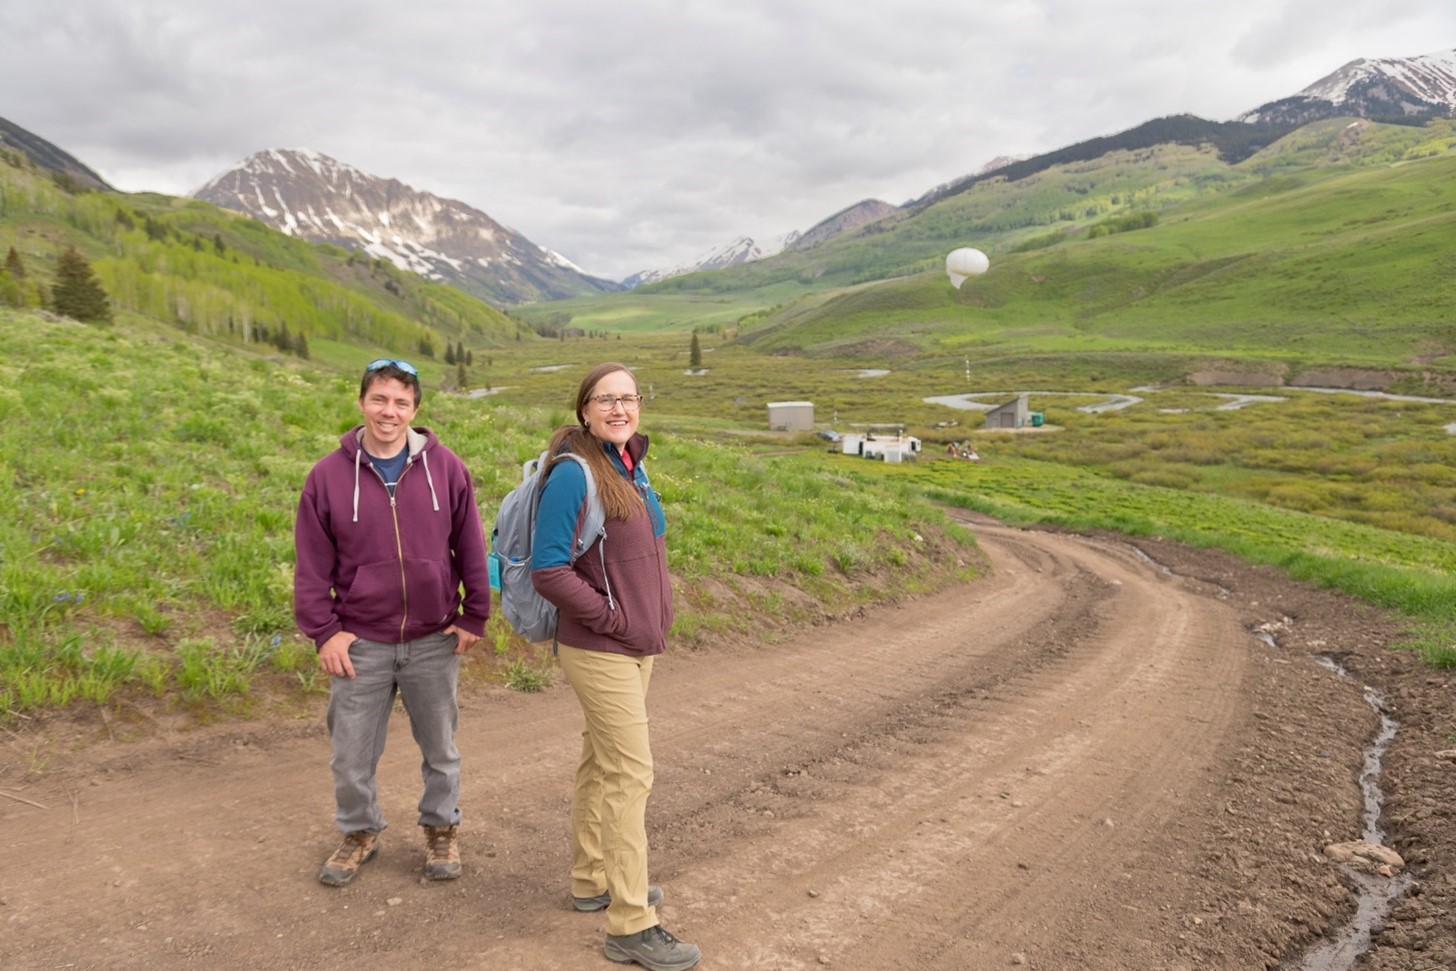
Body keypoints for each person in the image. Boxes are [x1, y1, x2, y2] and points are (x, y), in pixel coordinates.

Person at [293, 358, 491, 888]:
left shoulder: (446, 468)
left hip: (433, 638)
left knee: (441, 748)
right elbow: (311, 563)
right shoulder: (326, 477)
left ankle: (441, 827)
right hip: (360, 642)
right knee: (351, 754)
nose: (389, 411)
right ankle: (359, 832)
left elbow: (470, 544)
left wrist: (476, 613)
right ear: (362, 403)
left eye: (401, 402)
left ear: (415, 410)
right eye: (380, 399)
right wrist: (323, 630)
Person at [531, 363, 700, 971]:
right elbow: (549, 569)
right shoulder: (575, 476)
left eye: (628, 398)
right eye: (606, 399)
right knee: (632, 774)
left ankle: (590, 879)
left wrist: (647, 618)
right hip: (601, 647)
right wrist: (613, 619)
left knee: (602, 763)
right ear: (584, 410)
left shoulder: (630, 462)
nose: (619, 408)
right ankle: (631, 923)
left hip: (634, 645)